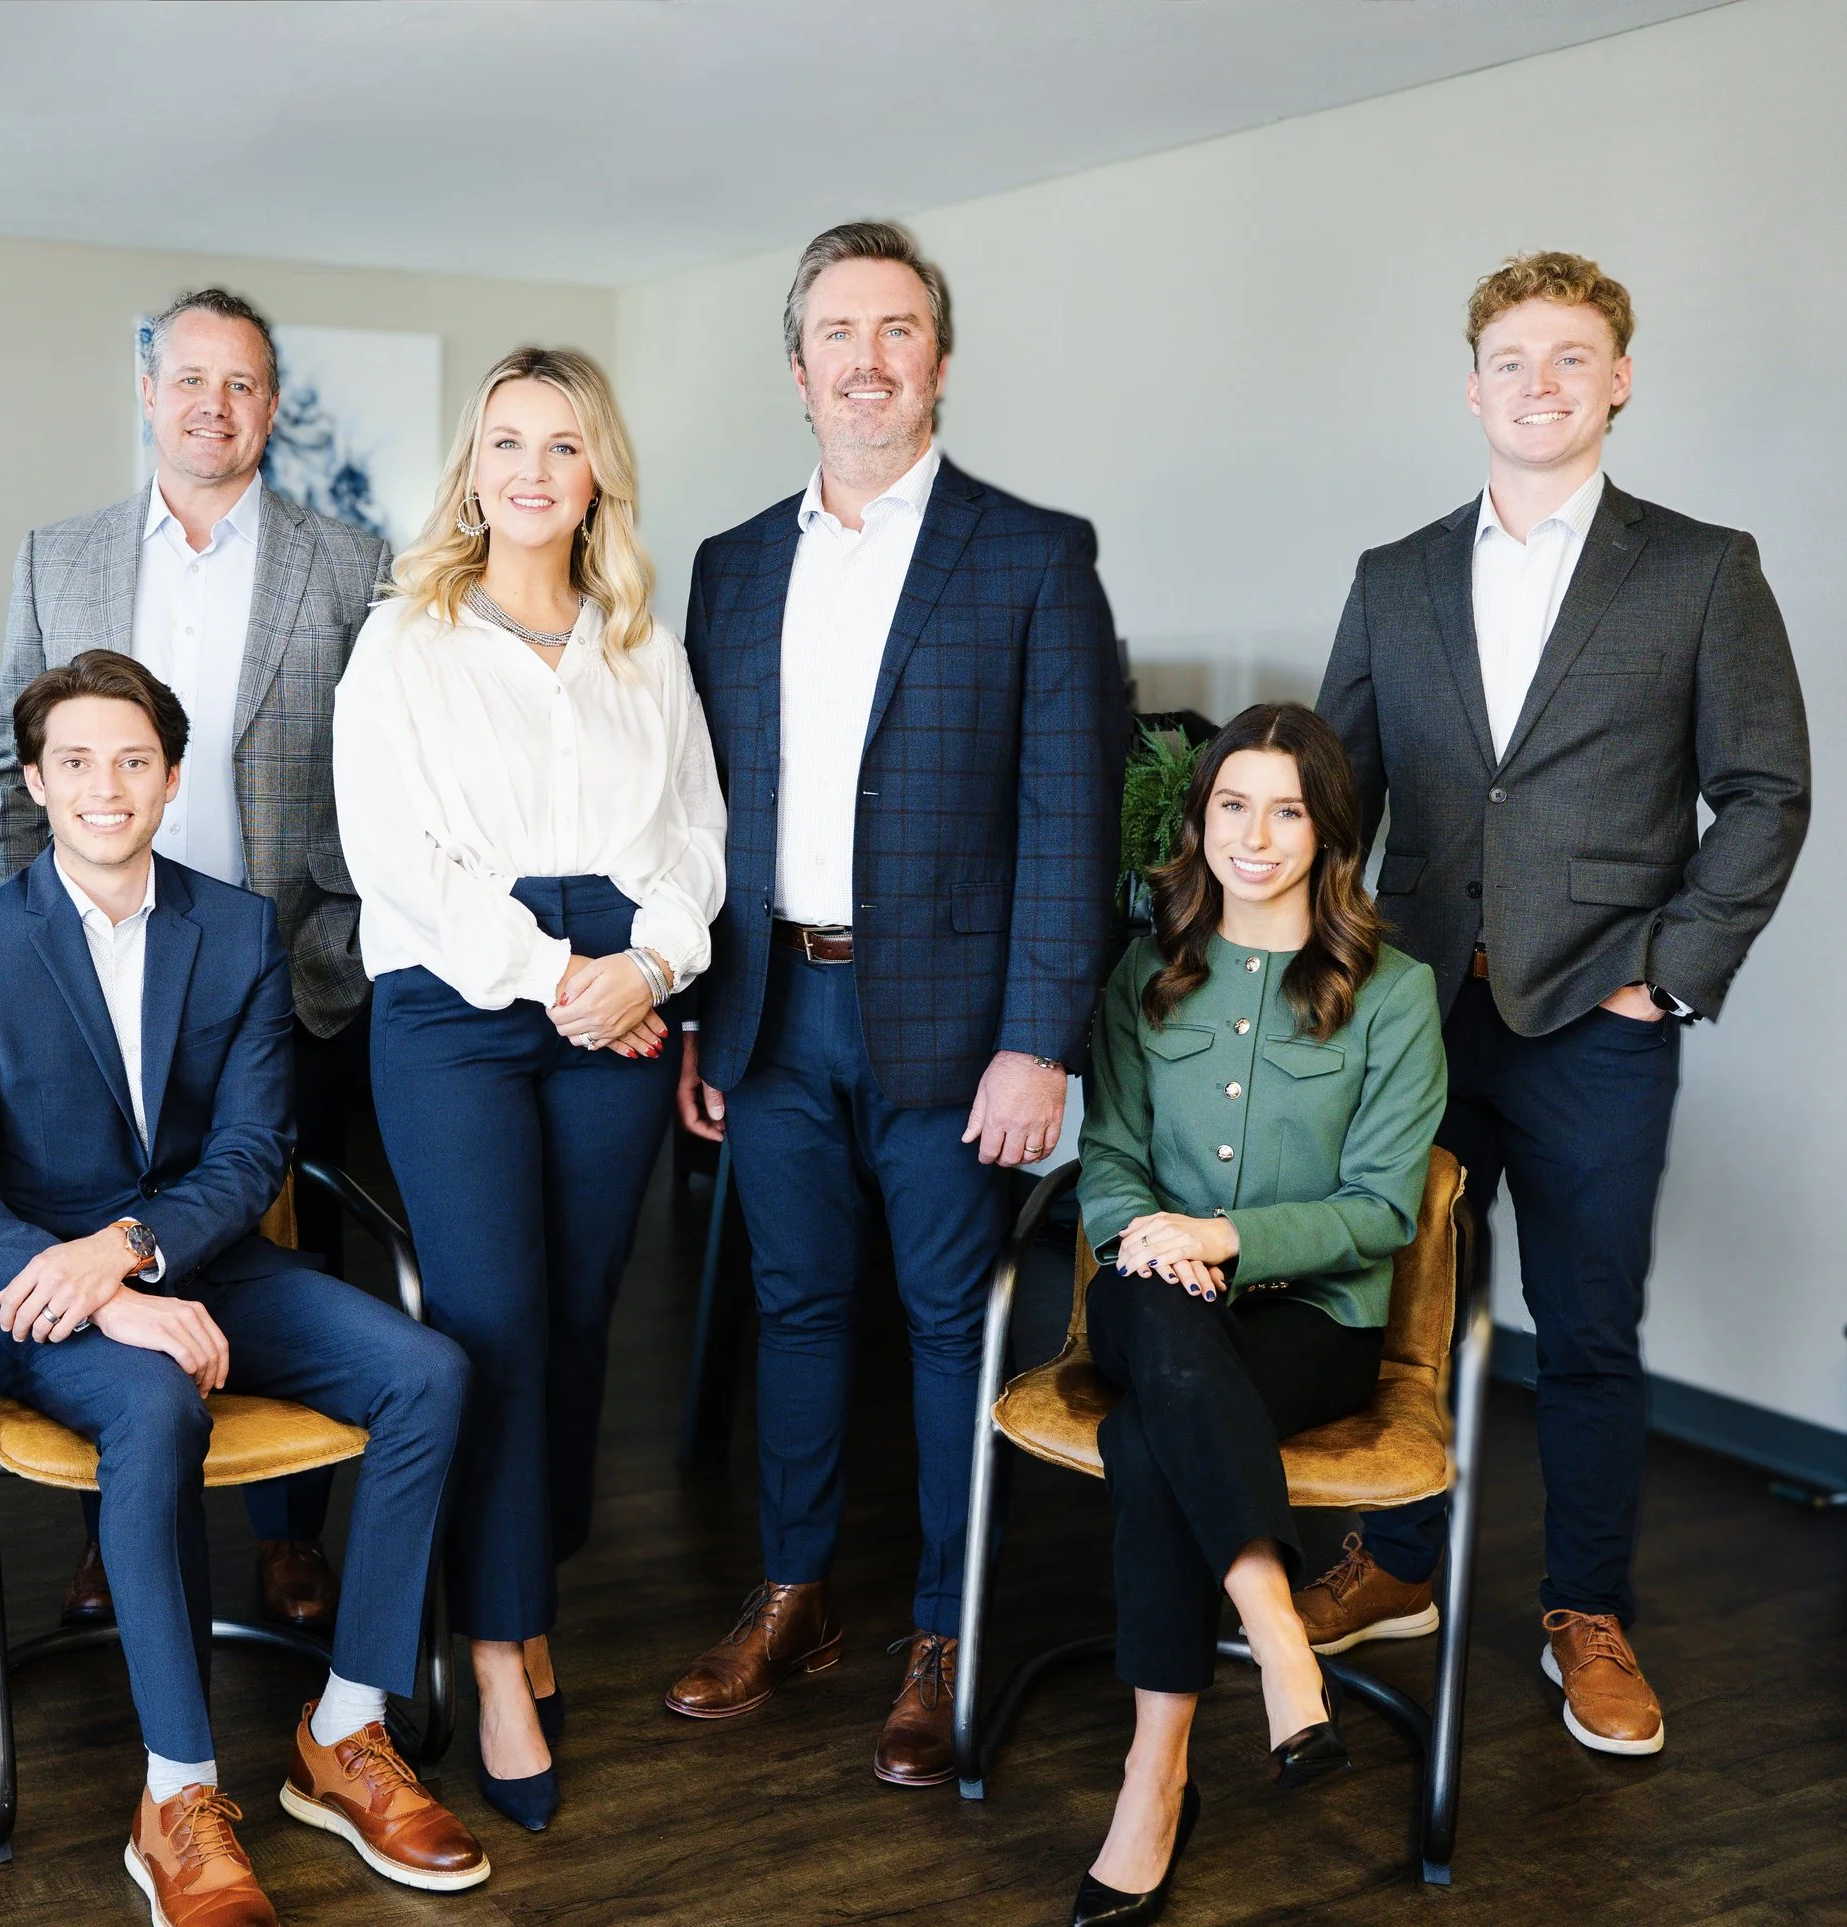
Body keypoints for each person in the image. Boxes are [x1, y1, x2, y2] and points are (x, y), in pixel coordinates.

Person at [1310, 251, 1810, 1758]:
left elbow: (1767, 792)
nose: (1542, 382)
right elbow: (1340, 797)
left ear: (1620, 380)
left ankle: (1585, 1609)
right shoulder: (1394, 576)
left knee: (1587, 1326)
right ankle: (1394, 1564)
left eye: (1572, 356)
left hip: (1601, 1020)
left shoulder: (1701, 568)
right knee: (1399, 1304)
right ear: (1475, 387)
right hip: (1417, 1017)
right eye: (1513, 359)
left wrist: (1671, 968)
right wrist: (1329, 983)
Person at [0, 651, 486, 1923]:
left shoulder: (235, 929)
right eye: (76, 762)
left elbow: (249, 1151)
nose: (104, 787)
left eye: (131, 760)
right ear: (39, 784)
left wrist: (135, 1250)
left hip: (205, 1261)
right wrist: (104, 1292)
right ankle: (176, 1791)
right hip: (48, 1301)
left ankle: (345, 1729)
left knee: (429, 1372)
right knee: (156, 1400)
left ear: (171, 777)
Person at [665, 220, 1129, 1786]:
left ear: (939, 357)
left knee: (945, 1325)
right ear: (796, 370)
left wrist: (1040, 1037)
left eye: (900, 329)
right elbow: (696, 814)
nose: (869, 359)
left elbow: (1074, 821)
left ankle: (945, 1626)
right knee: (796, 1310)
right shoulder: (730, 567)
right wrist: (697, 1018)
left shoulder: (1032, 552)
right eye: (839, 334)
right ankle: (794, 1597)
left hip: (958, 1032)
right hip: (774, 1006)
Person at [335, 346, 726, 1831]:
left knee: (575, 1314)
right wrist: (561, 969)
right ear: (474, 466)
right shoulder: (409, 638)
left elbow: (698, 834)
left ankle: (522, 1578)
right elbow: (397, 856)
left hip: (621, 991)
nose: (532, 469)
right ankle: (496, 1650)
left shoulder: (645, 642)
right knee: (489, 1321)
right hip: (458, 1001)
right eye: (506, 442)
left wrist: (654, 960)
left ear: (597, 470)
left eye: (562, 444)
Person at [0, 287, 382, 1636]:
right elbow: (7, 768)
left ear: (271, 408)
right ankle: (118, 1524)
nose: (214, 404)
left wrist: (339, 942)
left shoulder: (348, 561)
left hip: (294, 982)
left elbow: (380, 778)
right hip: (102, 992)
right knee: (102, 1238)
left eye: (244, 383)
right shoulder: (62, 555)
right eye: (190, 378)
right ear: (150, 393)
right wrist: (31, 961)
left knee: (293, 1242)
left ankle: (288, 1536)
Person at [1069, 704, 1444, 1926]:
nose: (1256, 834)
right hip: (1145, 1292)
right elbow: (1111, 1160)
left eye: (1288, 808)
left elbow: (1386, 1207)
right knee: (1165, 1335)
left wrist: (1225, 1238)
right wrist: (1151, 1237)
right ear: (1199, 820)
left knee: (1146, 1436)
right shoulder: (1144, 972)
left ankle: (1155, 1773)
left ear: (1329, 831)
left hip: (1309, 1323)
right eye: (1233, 803)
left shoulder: (1393, 993)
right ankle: (1279, 1635)